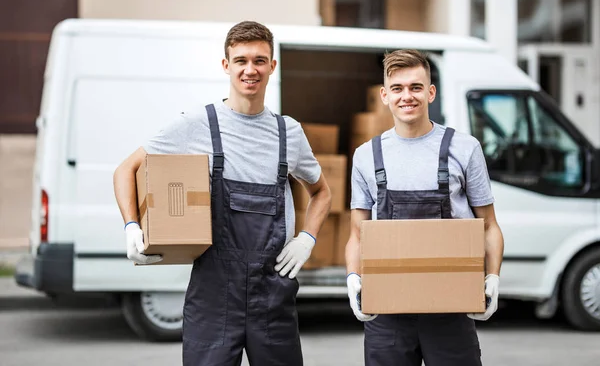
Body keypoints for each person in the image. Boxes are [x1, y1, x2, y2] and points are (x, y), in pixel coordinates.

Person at [113, 21, 332, 366]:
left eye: (260, 60)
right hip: (214, 296)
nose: (250, 69)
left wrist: (306, 238)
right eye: (241, 60)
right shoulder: (197, 124)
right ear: (226, 65)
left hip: (272, 294)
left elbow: (321, 192)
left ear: (272, 66)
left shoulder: (289, 132)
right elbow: (126, 169)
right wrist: (131, 227)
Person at [345, 49, 504, 366]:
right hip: (386, 311)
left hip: (451, 309)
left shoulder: (464, 148)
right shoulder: (366, 156)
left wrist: (493, 278)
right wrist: (352, 278)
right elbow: (357, 234)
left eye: (416, 87)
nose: (408, 96)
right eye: (398, 89)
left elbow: (488, 225)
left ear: (431, 92)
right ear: (385, 96)